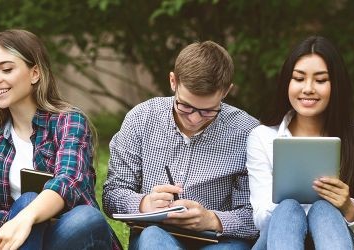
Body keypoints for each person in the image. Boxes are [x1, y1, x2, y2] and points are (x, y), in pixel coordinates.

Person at [103, 41, 260, 250]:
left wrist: (212, 220)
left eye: (208, 111)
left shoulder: (248, 132)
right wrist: (144, 204)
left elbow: (257, 215)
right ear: (173, 81)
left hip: (220, 241)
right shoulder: (141, 118)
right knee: (153, 239)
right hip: (155, 236)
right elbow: (112, 194)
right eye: (185, 106)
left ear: (226, 91)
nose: (194, 119)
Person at [0, 29, 119, 250]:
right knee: (27, 200)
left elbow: (69, 181)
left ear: (35, 74)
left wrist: (29, 217)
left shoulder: (69, 121)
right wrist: (28, 222)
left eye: (6, 69)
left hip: (76, 236)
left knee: (87, 217)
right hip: (23, 241)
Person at [247, 36, 354, 250]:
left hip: (338, 238)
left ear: (336, 85)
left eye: (320, 80)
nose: (308, 88)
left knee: (324, 210)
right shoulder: (263, 137)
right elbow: (261, 220)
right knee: (288, 209)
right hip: (278, 238)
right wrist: (286, 197)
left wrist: (347, 207)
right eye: (299, 78)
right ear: (287, 83)